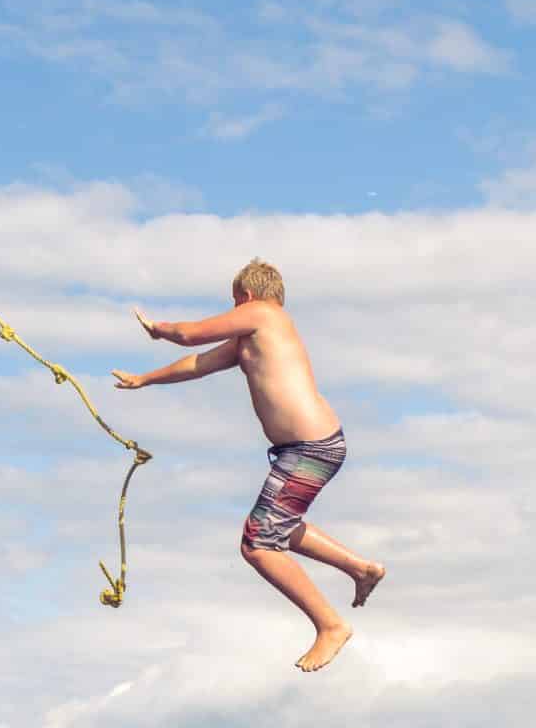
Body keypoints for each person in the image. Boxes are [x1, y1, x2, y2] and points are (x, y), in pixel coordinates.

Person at [112, 259, 386, 672]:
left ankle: (330, 625)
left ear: (245, 297)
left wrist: (159, 329)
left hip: (308, 448)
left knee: (258, 544)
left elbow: (188, 336)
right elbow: (197, 364)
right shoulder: (252, 338)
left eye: (233, 303)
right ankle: (359, 567)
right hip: (314, 446)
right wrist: (145, 379)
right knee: (278, 525)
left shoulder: (264, 314)